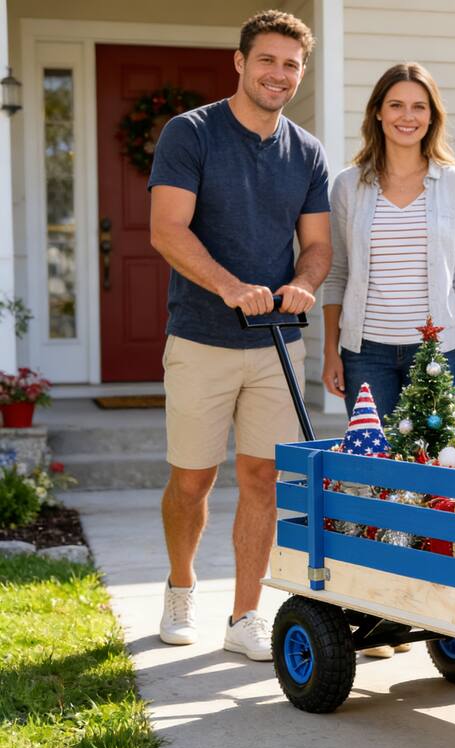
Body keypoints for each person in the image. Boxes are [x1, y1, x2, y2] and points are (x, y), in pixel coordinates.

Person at [148, 10, 331, 661]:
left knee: (261, 479)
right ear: (240, 61)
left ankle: (245, 614)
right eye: (268, 61)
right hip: (201, 339)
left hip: (276, 343)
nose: (278, 74)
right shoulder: (191, 133)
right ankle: (179, 588)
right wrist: (229, 287)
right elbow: (167, 229)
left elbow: (316, 245)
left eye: (291, 64)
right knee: (192, 481)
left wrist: (306, 281)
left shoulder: (306, 151)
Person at [321, 62, 455, 657]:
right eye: (396, 105)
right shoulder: (349, 185)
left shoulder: (453, 184)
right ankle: (374, 609)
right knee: (373, 474)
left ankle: (430, 598)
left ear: (432, 115)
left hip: (436, 354)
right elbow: (335, 274)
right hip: (366, 351)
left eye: (418, 106)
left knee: (432, 474)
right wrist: (332, 348)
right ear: (379, 113)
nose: (407, 116)